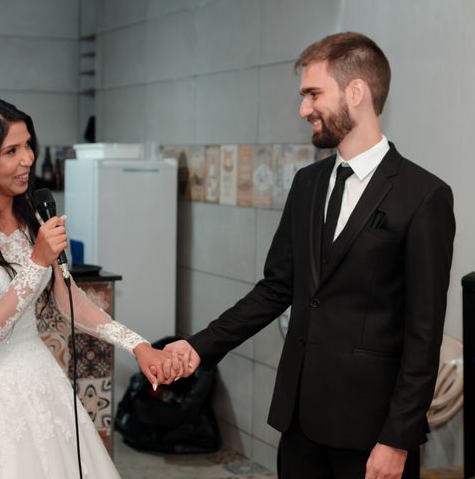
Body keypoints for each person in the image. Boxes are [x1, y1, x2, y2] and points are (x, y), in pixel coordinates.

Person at [165, 32, 456, 479]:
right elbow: (276, 288)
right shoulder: (308, 183)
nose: (303, 109)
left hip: (371, 431)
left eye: (313, 94)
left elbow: (424, 331)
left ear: (355, 92)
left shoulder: (424, 196)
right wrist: (199, 346)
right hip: (300, 420)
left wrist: (399, 438)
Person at [0, 93, 178, 478]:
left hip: (37, 380)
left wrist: (137, 345)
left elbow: (67, 295)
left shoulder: (31, 215)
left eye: (28, 146)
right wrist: (36, 263)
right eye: (11, 151)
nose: (27, 159)